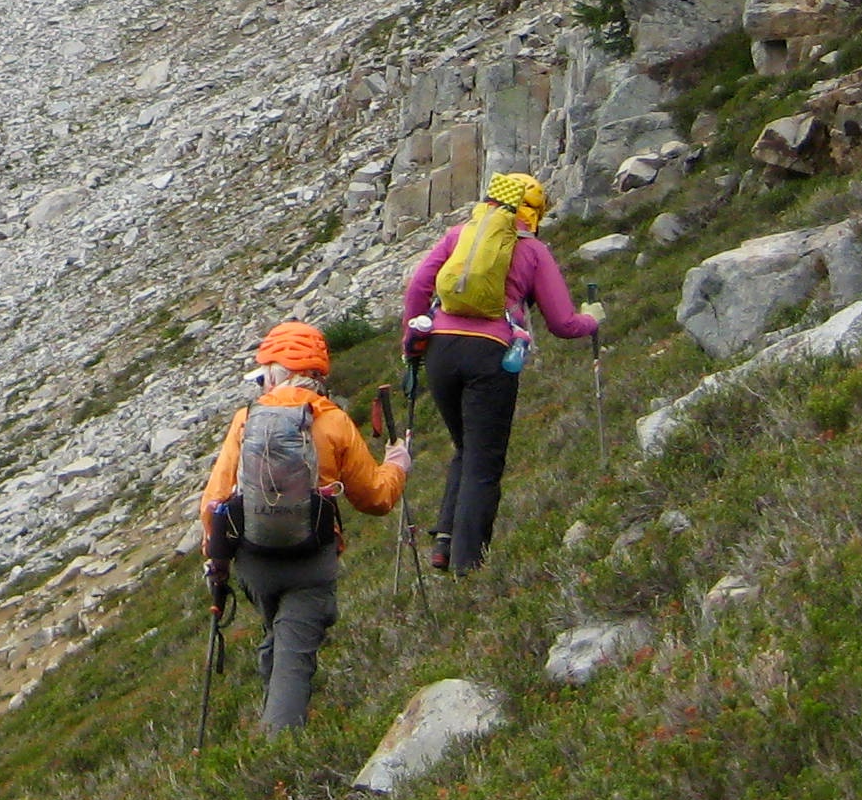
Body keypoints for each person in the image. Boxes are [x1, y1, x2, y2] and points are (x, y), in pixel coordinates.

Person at [196, 321, 409, 733]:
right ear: (317, 374)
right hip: (311, 560)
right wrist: (398, 465)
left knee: (277, 633)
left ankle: (272, 715)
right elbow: (376, 499)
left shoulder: (247, 420)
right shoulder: (333, 422)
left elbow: (215, 502)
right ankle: (279, 753)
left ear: (274, 371)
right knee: (294, 656)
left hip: (255, 560)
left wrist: (216, 562)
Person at [400, 171, 601, 575]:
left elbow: (417, 289)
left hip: (440, 349)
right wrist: (592, 321)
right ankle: (467, 565)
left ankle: (444, 540)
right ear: (535, 211)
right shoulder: (532, 250)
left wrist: (412, 341)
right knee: (484, 461)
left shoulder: (459, 235)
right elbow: (563, 323)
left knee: (464, 445)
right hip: (491, 355)